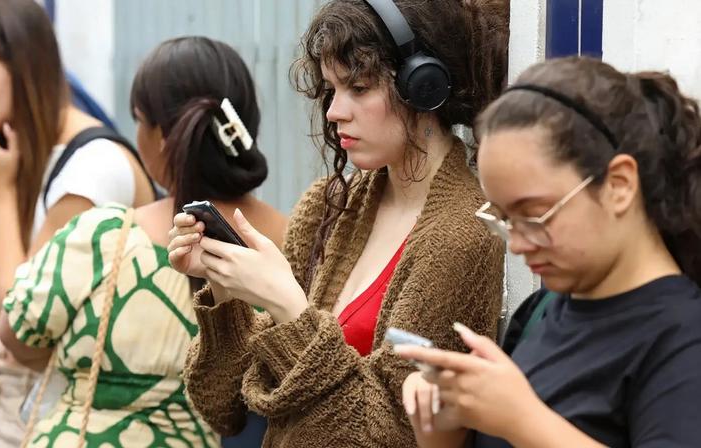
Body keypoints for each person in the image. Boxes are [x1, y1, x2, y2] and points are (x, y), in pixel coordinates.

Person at [169, 0, 508, 445]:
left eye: (359, 88)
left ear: (423, 86)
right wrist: (228, 291)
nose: (333, 111)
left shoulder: (464, 233)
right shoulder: (328, 206)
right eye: (331, 89)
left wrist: (290, 308)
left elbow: (395, 435)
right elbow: (224, 406)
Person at [397, 56, 701, 447]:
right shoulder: (539, 313)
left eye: (535, 215)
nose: (519, 244)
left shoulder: (682, 337)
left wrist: (521, 418)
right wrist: (442, 430)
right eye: (505, 219)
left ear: (619, 185)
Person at [0, 36, 286, 447]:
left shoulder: (105, 237)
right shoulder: (296, 241)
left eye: (138, 119)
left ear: (162, 138)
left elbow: (15, 336)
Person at [0, 0, 156, 446]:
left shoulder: (93, 168)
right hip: (20, 410)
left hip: (59, 420)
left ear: (24, 66)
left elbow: (22, 322)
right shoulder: (26, 150)